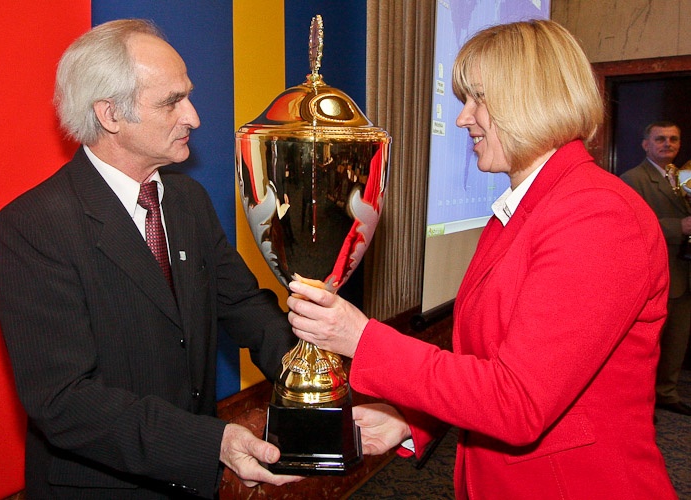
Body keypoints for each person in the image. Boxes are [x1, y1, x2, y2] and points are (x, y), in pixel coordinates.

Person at [286, 19, 677, 499]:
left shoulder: (598, 215)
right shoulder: (526, 208)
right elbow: (487, 361)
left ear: (531, 99)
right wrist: (412, 421)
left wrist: (361, 338)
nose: (462, 118)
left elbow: (518, 401)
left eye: (478, 99)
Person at [0, 19, 301, 499]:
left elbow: (244, 307)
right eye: (172, 102)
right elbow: (65, 401)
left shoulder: (188, 200)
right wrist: (210, 443)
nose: (194, 117)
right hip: (104, 486)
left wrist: (310, 378)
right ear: (110, 114)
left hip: (193, 482)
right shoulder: (33, 227)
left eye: (188, 97)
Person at [621, 121, 691, 417]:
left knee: (677, 341)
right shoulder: (632, 179)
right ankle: (640, 402)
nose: (667, 144)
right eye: (660, 139)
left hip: (684, 274)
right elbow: (632, 226)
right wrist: (679, 227)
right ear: (645, 144)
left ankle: (667, 392)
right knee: (649, 346)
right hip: (657, 275)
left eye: (673, 139)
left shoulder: (683, 176)